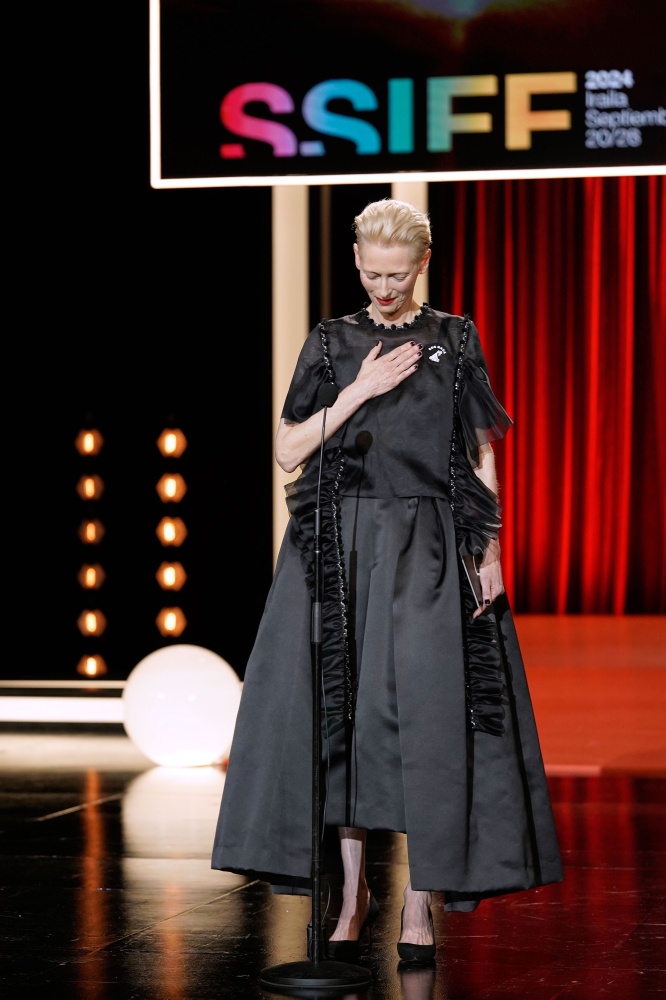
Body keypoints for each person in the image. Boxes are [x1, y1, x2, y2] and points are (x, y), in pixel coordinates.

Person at [211, 197, 563, 963]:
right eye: (372, 274)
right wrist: (358, 392)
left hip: (427, 546)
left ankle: (419, 902)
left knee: (428, 719)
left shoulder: (454, 338)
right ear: (357, 261)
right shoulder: (332, 342)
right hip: (342, 547)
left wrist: (490, 550)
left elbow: (479, 451)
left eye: (397, 275)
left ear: (422, 264)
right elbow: (288, 450)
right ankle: (351, 895)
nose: (384, 287)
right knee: (345, 716)